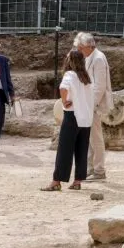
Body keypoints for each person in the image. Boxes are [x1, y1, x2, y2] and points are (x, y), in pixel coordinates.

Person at [46, 48, 93, 191]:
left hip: (72, 115)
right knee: (81, 149)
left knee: (65, 149)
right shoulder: (86, 77)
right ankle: (77, 181)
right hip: (86, 117)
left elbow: (63, 88)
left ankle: (56, 181)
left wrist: (64, 101)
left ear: (70, 61)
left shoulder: (70, 75)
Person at [78, 31, 113, 181]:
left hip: (93, 105)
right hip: (87, 103)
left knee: (96, 138)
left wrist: (91, 105)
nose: (79, 50)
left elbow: (100, 86)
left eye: (80, 47)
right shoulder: (90, 57)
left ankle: (99, 170)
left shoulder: (98, 59)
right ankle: (91, 168)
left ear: (88, 46)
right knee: (89, 138)